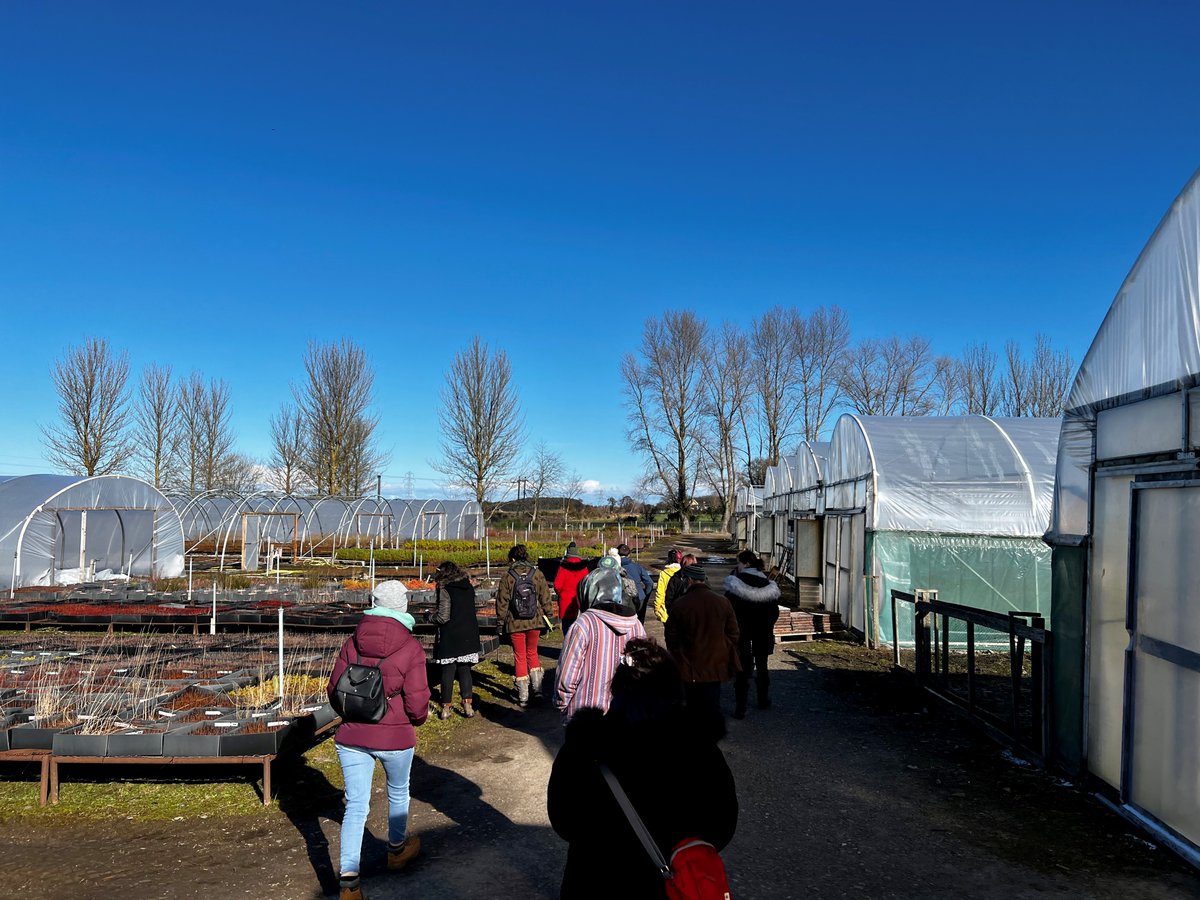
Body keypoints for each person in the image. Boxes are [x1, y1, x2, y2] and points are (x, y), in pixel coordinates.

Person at [547, 638, 738, 899]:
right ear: (673, 689)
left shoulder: (584, 747)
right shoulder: (699, 748)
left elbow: (563, 821)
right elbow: (722, 825)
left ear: (616, 690)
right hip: (673, 886)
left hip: (594, 882)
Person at [327, 580, 430, 900]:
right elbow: (416, 703)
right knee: (398, 792)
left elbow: (334, 690)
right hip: (396, 735)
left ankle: (349, 884)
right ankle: (397, 850)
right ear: (402, 607)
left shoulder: (352, 642)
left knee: (355, 805)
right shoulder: (410, 647)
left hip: (352, 736)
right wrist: (417, 720)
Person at [554, 555, 647, 723]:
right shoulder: (636, 625)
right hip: (625, 715)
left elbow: (567, 675)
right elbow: (644, 671)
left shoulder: (584, 624)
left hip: (585, 717)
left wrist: (563, 705)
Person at [663, 563, 740, 722]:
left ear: (690, 580)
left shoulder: (680, 604)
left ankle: (694, 735)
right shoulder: (722, 602)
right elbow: (734, 633)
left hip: (689, 663)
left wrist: (677, 653)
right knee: (713, 701)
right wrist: (722, 648)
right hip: (715, 663)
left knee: (692, 704)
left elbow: (671, 636)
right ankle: (711, 733)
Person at [723, 550, 781, 719]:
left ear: (746, 564)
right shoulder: (769, 586)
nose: (737, 566)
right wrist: (767, 625)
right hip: (763, 632)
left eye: (738, 563)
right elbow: (774, 613)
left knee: (742, 668)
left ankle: (740, 707)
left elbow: (727, 610)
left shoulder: (734, 584)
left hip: (741, 632)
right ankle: (762, 699)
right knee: (762, 666)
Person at [495, 543, 555, 706]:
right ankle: (538, 690)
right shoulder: (537, 574)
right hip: (534, 620)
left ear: (513, 559)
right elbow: (545, 597)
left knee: (520, 656)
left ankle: (523, 696)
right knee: (532, 653)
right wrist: (549, 616)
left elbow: (502, 603)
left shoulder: (508, 576)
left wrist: (500, 622)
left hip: (515, 623)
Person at [428, 560, 481, 720]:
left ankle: (446, 708)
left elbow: (443, 617)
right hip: (469, 633)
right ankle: (467, 705)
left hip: (451, 633)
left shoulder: (445, 588)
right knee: (465, 669)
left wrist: (429, 616)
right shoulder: (468, 586)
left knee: (448, 670)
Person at [553, 542, 590, 632]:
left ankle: (568, 643)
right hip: (580, 601)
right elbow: (588, 583)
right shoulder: (584, 568)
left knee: (567, 626)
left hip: (566, 599)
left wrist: (562, 594)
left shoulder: (563, 567)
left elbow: (557, 585)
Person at [616, 543, 655, 623]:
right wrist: (645, 595)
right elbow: (649, 583)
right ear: (629, 554)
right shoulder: (637, 566)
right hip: (639, 597)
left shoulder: (615, 568)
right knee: (639, 623)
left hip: (621, 600)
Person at [659, 553, 698, 622]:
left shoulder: (675, 578)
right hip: (694, 616)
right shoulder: (701, 578)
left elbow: (668, 598)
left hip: (679, 615)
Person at [652, 548, 681, 622]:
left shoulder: (664, 574)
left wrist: (657, 607)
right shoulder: (683, 572)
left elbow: (660, 592)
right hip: (682, 607)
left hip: (666, 609)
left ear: (668, 559)